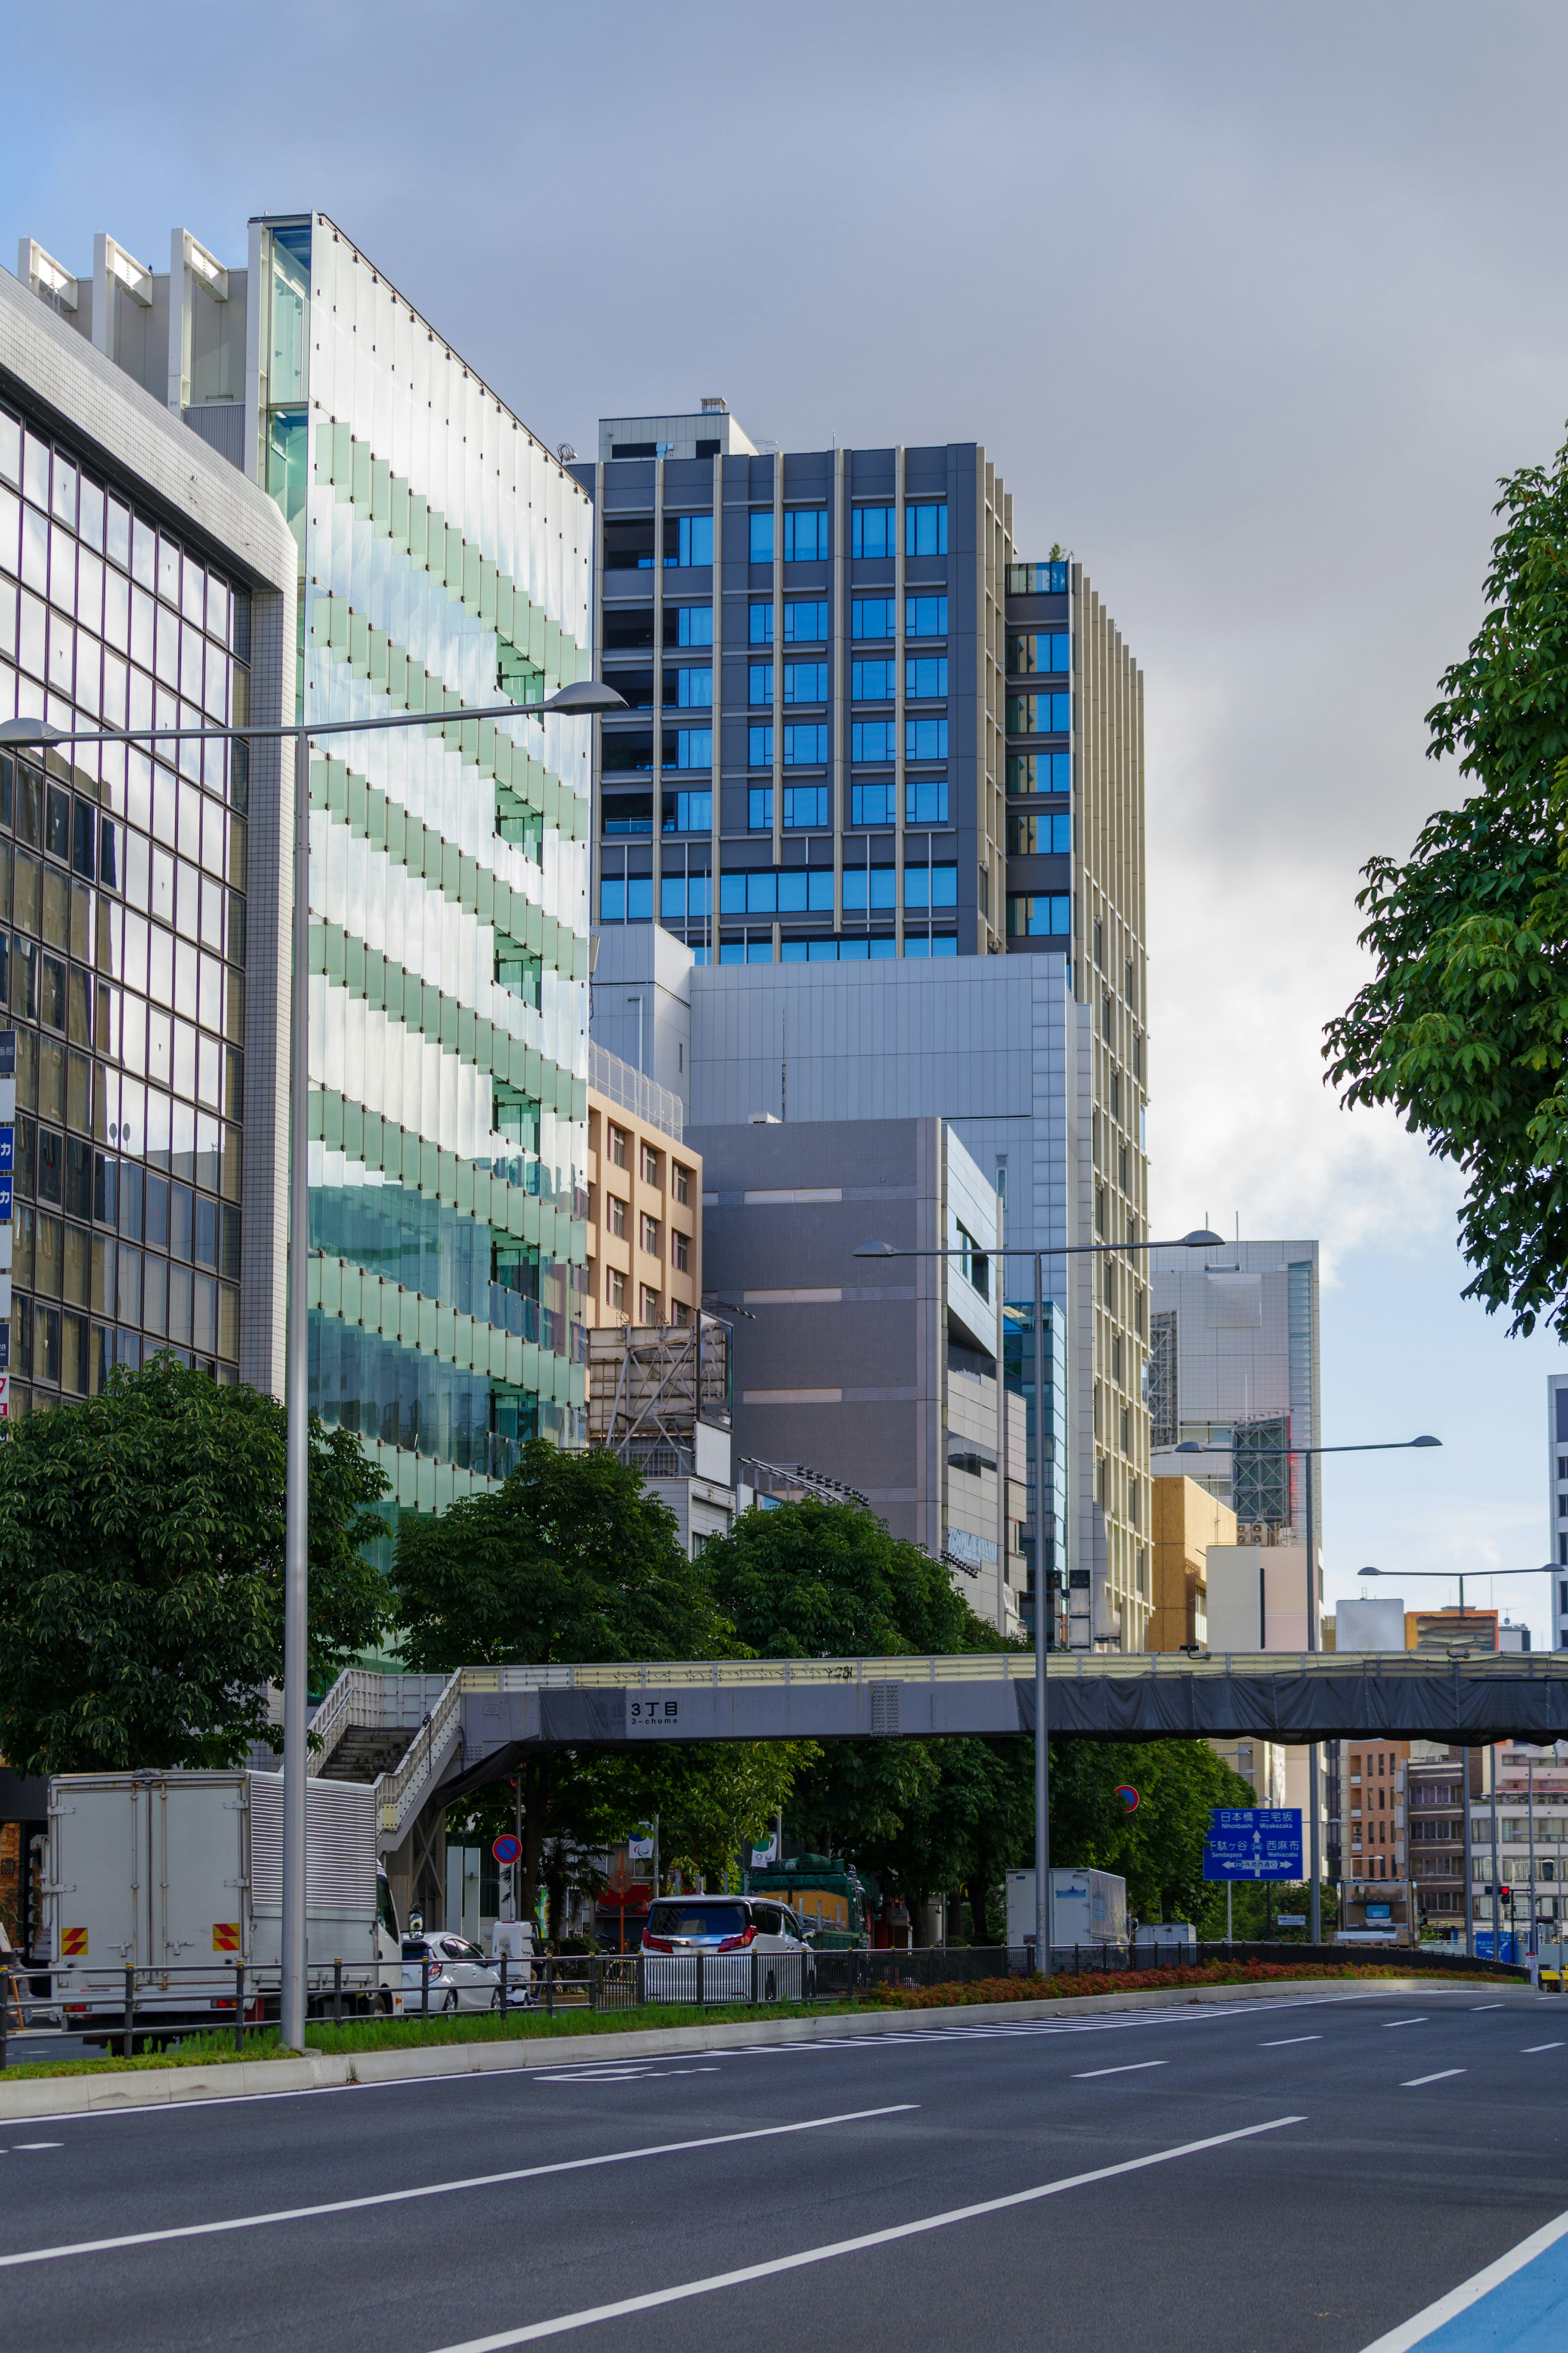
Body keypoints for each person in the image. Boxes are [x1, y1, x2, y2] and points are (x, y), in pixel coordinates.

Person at [490, 1905, 535, 2002]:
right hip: (520, 1971)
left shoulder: (501, 1940)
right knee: (534, 1975)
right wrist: (539, 1962)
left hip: (500, 1970)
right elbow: (533, 1957)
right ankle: (532, 1993)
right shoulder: (528, 1944)